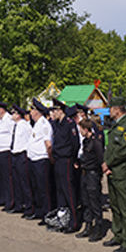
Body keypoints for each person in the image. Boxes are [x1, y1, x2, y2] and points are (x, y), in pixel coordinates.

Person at [102, 96, 126, 252]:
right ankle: (118, 235)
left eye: (111, 108)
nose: (109, 111)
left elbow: (124, 150)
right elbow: (111, 147)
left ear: (117, 109)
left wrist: (108, 163)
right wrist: (107, 163)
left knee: (125, 208)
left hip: (123, 172)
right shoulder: (117, 125)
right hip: (113, 171)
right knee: (115, 207)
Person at [51, 100, 80, 233]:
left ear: (60, 110)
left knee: (68, 191)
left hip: (66, 160)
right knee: (60, 192)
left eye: (55, 110)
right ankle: (63, 220)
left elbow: (75, 144)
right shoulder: (57, 124)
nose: (53, 113)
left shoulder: (69, 124)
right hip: (58, 160)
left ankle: (74, 222)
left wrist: (73, 159)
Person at [75, 118, 106, 242]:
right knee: (86, 201)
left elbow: (101, 160)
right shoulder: (86, 142)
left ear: (86, 129)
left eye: (81, 129)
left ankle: (98, 229)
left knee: (94, 202)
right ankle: (88, 227)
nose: (80, 132)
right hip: (85, 173)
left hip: (93, 174)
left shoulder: (95, 142)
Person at [27, 99, 53, 221]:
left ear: (37, 112)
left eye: (32, 110)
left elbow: (48, 144)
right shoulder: (36, 124)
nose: (30, 113)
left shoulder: (44, 124)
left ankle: (47, 214)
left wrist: (50, 157)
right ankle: (39, 211)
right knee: (36, 187)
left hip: (42, 160)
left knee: (44, 189)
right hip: (33, 159)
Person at [0, 100, 16, 212]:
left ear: (2, 109)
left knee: (8, 178)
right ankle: (3, 199)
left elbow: (13, 135)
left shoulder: (8, 119)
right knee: (0, 177)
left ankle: (10, 201)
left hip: (5, 151)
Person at [11, 104, 33, 214]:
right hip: (14, 154)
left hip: (22, 154)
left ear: (19, 115)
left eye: (14, 113)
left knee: (25, 183)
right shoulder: (16, 125)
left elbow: (29, 140)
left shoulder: (24, 125)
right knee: (16, 182)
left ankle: (29, 207)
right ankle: (19, 205)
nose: (12, 115)